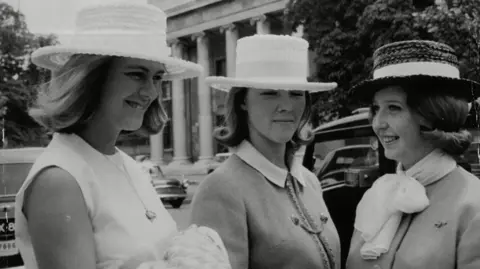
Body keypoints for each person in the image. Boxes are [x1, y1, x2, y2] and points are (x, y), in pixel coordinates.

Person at [13, 2, 212, 269]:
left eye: (157, 77)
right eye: (136, 74)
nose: (151, 92)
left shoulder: (128, 166)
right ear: (91, 78)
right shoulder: (59, 180)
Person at [189, 34, 341, 269]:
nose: (287, 106)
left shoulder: (310, 182)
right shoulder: (221, 188)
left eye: (296, 93)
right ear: (243, 101)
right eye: (270, 93)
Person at [346, 40, 480, 269]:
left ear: (433, 114)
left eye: (394, 108)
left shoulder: (473, 206)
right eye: (376, 109)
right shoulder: (376, 196)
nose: (378, 123)